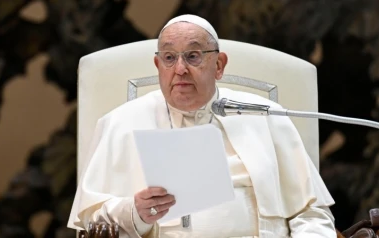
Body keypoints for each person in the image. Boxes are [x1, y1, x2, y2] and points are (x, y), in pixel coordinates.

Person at [68, 14, 337, 238]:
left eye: (193, 56)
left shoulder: (266, 117)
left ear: (219, 65)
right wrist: (135, 212)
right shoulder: (121, 123)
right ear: (158, 65)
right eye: (169, 58)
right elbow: (93, 225)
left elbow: (312, 213)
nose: (180, 69)